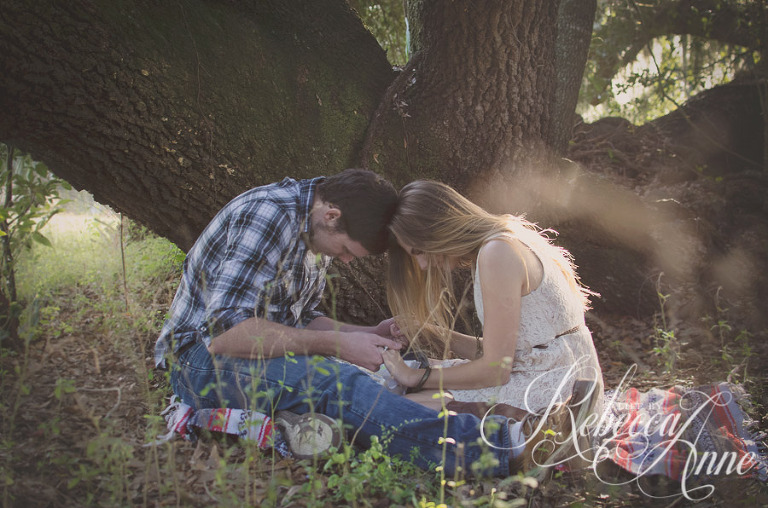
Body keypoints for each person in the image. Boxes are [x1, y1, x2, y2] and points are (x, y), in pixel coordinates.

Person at [155, 170, 598, 478]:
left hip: (250, 356)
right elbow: (224, 334)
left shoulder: (309, 230)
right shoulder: (267, 216)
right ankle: (495, 449)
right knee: (334, 382)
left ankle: (309, 431)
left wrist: (365, 336)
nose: (345, 261)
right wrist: (337, 346)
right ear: (332, 215)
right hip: (199, 361)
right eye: (347, 250)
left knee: (363, 376)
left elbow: (304, 321)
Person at [381, 180, 604, 419]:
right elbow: (504, 352)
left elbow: (496, 370)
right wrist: (430, 332)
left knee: (400, 410)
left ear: (439, 228)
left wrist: (416, 376)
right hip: (558, 379)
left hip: (559, 396)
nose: (423, 265)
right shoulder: (504, 239)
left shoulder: (497, 253)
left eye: (418, 251)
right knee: (409, 394)